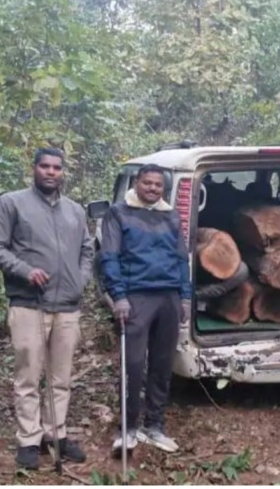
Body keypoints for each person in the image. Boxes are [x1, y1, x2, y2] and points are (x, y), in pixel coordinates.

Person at [0, 147, 94, 470]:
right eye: (44, 166)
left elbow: (87, 250)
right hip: (29, 304)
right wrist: (24, 270)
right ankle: (28, 439)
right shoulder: (12, 203)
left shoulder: (75, 211)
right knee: (28, 375)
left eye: (56, 167)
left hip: (67, 307)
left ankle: (55, 434)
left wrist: (80, 280)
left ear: (63, 172)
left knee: (61, 377)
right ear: (34, 168)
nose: (51, 172)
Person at [100, 164, 192, 453]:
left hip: (168, 295)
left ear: (164, 188)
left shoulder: (171, 215)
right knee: (134, 364)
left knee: (163, 364)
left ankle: (155, 426)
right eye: (147, 183)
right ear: (136, 183)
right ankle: (128, 428)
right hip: (136, 296)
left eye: (158, 185)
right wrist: (119, 296)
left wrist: (185, 297)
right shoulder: (118, 212)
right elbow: (109, 257)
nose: (152, 188)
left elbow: (181, 258)